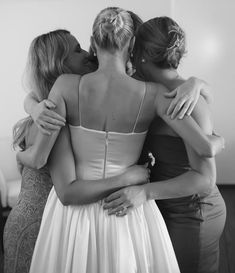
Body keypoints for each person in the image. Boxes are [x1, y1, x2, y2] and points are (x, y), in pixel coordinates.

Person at [18, 7, 224, 273]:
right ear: (132, 44)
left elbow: (38, 151)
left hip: (75, 217)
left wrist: (23, 143)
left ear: (93, 44)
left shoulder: (66, 85)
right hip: (128, 209)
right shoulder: (155, 94)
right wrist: (217, 140)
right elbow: (203, 146)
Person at [103, 16, 226, 273]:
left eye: (133, 50)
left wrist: (144, 192)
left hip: (193, 212)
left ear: (143, 54)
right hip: (166, 206)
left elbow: (205, 179)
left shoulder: (184, 101)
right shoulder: (152, 90)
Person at [3, 29, 97, 273]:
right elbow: (37, 158)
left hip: (47, 223)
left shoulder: (47, 104)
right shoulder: (52, 111)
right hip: (34, 226)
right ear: (59, 65)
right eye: (77, 50)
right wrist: (20, 155)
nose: (87, 53)